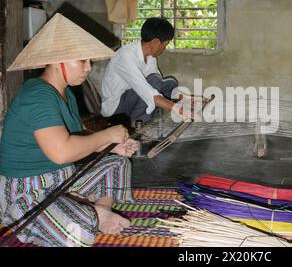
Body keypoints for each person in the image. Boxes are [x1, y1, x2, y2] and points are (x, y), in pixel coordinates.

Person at [0, 13, 139, 247]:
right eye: (82, 61)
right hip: (27, 191)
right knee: (79, 232)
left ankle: (98, 211)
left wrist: (111, 146)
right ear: (57, 60)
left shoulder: (64, 93)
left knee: (118, 163)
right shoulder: (38, 95)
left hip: (60, 178)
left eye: (89, 61)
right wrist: (106, 135)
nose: (88, 68)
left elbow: (77, 137)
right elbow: (62, 153)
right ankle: (86, 211)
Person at [101, 17, 201, 126]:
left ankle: (155, 118)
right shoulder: (126, 56)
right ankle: (136, 125)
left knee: (169, 84)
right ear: (156, 42)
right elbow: (148, 92)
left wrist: (186, 99)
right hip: (116, 110)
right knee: (155, 81)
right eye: (165, 44)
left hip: (132, 100)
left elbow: (159, 86)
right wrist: (180, 110)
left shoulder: (150, 57)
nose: (164, 49)